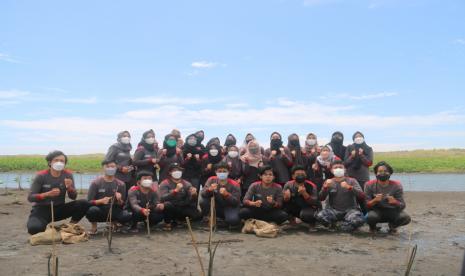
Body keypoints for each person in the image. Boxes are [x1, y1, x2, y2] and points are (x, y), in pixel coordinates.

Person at [27, 151, 89, 235]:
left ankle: (70, 226)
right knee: (34, 229)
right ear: (50, 162)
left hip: (59, 208)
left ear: (64, 163)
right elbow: (30, 197)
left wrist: (69, 188)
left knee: (84, 203)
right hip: (42, 209)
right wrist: (47, 194)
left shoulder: (68, 175)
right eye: (56, 160)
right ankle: (46, 226)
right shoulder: (41, 176)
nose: (59, 162)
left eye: (62, 161)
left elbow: (73, 197)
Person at [316, 160, 365, 232]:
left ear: (344, 169)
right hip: (333, 211)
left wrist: (350, 187)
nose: (338, 169)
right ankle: (334, 224)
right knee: (320, 216)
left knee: (358, 220)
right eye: (335, 167)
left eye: (340, 167)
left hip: (350, 210)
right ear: (332, 170)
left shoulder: (352, 181)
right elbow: (321, 198)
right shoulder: (328, 181)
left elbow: (362, 195)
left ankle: (344, 226)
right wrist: (325, 187)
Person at [86, 160, 132, 234]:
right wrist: (100, 201)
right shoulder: (95, 183)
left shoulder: (121, 184)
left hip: (114, 209)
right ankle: (94, 227)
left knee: (127, 215)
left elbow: (122, 204)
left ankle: (114, 223)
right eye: (107, 167)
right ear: (103, 168)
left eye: (112, 167)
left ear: (116, 168)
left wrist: (119, 199)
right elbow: (89, 202)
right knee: (91, 210)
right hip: (100, 209)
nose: (110, 168)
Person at [365, 161, 411, 233]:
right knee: (370, 217)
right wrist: (375, 200)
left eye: (385, 171)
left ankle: (393, 226)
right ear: (376, 173)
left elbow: (402, 206)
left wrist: (395, 202)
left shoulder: (397, 185)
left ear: (390, 173)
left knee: (406, 218)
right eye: (380, 171)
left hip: (392, 211)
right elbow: (366, 205)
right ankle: (373, 228)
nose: (382, 173)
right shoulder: (369, 185)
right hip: (377, 211)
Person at [158, 163, 202, 230]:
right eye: (175, 170)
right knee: (167, 205)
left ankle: (180, 220)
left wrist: (194, 195)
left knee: (198, 215)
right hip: (171, 207)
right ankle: (168, 223)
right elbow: (162, 198)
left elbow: (191, 200)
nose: (177, 172)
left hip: (182, 206)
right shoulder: (164, 183)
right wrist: (175, 191)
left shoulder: (186, 183)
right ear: (170, 172)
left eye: (179, 170)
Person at [200, 162, 241, 227]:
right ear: (216, 172)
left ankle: (222, 219)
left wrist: (227, 195)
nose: (222, 173)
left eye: (224, 171)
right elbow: (202, 194)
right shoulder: (211, 179)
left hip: (229, 206)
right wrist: (209, 190)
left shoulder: (235, 184)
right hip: (216, 205)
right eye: (220, 171)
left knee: (233, 220)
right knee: (203, 201)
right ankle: (208, 217)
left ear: (228, 172)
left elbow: (236, 202)